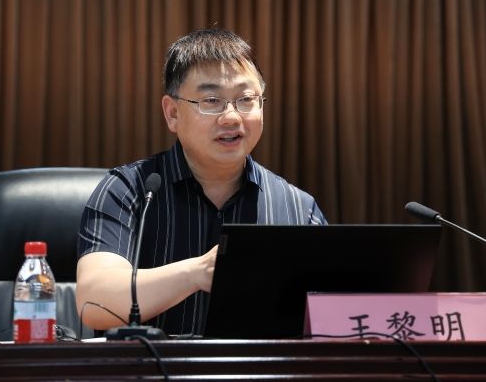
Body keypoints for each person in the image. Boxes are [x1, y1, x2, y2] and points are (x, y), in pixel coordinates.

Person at [76, 28, 327, 336]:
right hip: (153, 366)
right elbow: (94, 303)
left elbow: (332, 315)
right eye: (211, 100)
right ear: (172, 113)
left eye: (246, 99)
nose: (232, 117)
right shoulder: (128, 191)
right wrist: (197, 273)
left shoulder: (298, 208)